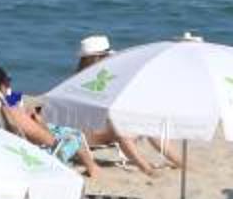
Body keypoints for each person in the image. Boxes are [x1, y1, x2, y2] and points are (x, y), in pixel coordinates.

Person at [0, 62, 109, 177]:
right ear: (2, 86)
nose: (9, 85)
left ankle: (91, 167)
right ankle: (93, 169)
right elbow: (48, 140)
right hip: (28, 157)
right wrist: (40, 123)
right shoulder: (9, 110)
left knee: (61, 130)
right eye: (8, 82)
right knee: (75, 136)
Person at [70, 36, 173, 174]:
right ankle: (147, 169)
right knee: (122, 129)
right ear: (96, 58)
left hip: (101, 128)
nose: (110, 59)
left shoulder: (101, 77)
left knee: (148, 124)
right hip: (85, 134)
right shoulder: (81, 82)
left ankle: (180, 162)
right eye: (106, 56)